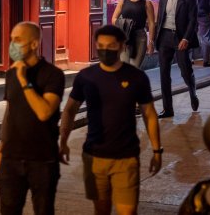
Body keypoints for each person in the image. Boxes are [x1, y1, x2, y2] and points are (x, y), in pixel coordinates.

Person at [60, 25, 162, 215]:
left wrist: (157, 150)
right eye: (101, 45)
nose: (105, 50)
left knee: (128, 211)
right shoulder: (86, 77)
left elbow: (149, 114)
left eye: (111, 45)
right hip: (94, 156)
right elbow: (69, 110)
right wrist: (63, 141)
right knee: (101, 210)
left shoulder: (137, 78)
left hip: (126, 157)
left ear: (122, 46)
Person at [0, 22, 64, 215]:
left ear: (34, 44)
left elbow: (44, 112)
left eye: (18, 40)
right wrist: (1, 154)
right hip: (11, 158)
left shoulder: (53, 75)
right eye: (11, 40)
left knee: (43, 210)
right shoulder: (11, 74)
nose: (12, 45)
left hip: (42, 159)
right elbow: (10, 114)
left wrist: (25, 81)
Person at [154, 0, 199, 118]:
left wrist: (186, 38)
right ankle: (168, 109)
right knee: (164, 74)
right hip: (164, 37)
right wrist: (154, 39)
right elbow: (160, 19)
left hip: (180, 37)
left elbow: (193, 20)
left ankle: (192, 91)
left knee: (185, 69)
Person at [112, 0, 156, 69]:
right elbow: (113, 19)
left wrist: (151, 42)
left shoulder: (147, 3)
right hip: (125, 37)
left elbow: (152, 23)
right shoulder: (122, 1)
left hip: (140, 36)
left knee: (134, 67)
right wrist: (123, 25)